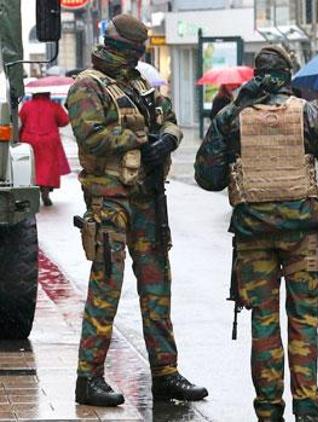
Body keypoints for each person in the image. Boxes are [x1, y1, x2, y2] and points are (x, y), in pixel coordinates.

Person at [195, 45, 318, 422]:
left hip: (253, 237)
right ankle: (308, 410)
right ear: (287, 76)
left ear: (256, 75)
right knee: (304, 321)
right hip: (303, 235)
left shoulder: (232, 117)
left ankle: (268, 411)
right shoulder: (309, 114)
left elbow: (206, 177)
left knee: (263, 323)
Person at [66, 14, 208, 407]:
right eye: (134, 51)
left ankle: (165, 373)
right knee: (106, 287)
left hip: (147, 199)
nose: (136, 58)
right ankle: (88, 377)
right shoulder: (87, 86)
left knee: (157, 286)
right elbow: (91, 136)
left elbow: (172, 121)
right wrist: (142, 138)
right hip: (110, 200)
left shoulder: (140, 84)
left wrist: (168, 140)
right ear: (122, 48)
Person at [19, 91, 71, 206]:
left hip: (30, 139)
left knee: (32, 167)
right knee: (48, 167)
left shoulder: (27, 106)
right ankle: (46, 191)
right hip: (49, 140)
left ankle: (32, 191)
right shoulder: (54, 106)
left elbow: (20, 121)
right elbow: (65, 121)